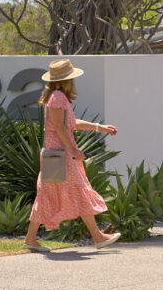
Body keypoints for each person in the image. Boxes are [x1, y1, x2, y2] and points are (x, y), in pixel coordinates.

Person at [23, 59, 121, 252]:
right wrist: (74, 151)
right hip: (60, 153)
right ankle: (97, 236)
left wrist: (99, 127)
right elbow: (59, 126)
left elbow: (70, 123)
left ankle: (31, 238)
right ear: (66, 80)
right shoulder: (58, 97)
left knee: (49, 193)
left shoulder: (55, 96)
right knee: (76, 189)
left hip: (54, 152)